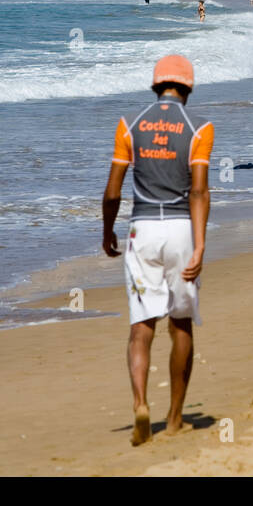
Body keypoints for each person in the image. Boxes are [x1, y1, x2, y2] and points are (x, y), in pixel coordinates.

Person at [102, 55, 212, 445]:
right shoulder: (199, 128)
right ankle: (176, 416)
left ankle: (139, 405)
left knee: (141, 326)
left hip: (141, 230)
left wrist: (106, 231)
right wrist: (199, 246)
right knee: (180, 323)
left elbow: (113, 190)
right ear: (188, 87)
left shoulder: (129, 125)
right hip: (182, 228)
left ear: (156, 85)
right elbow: (198, 190)